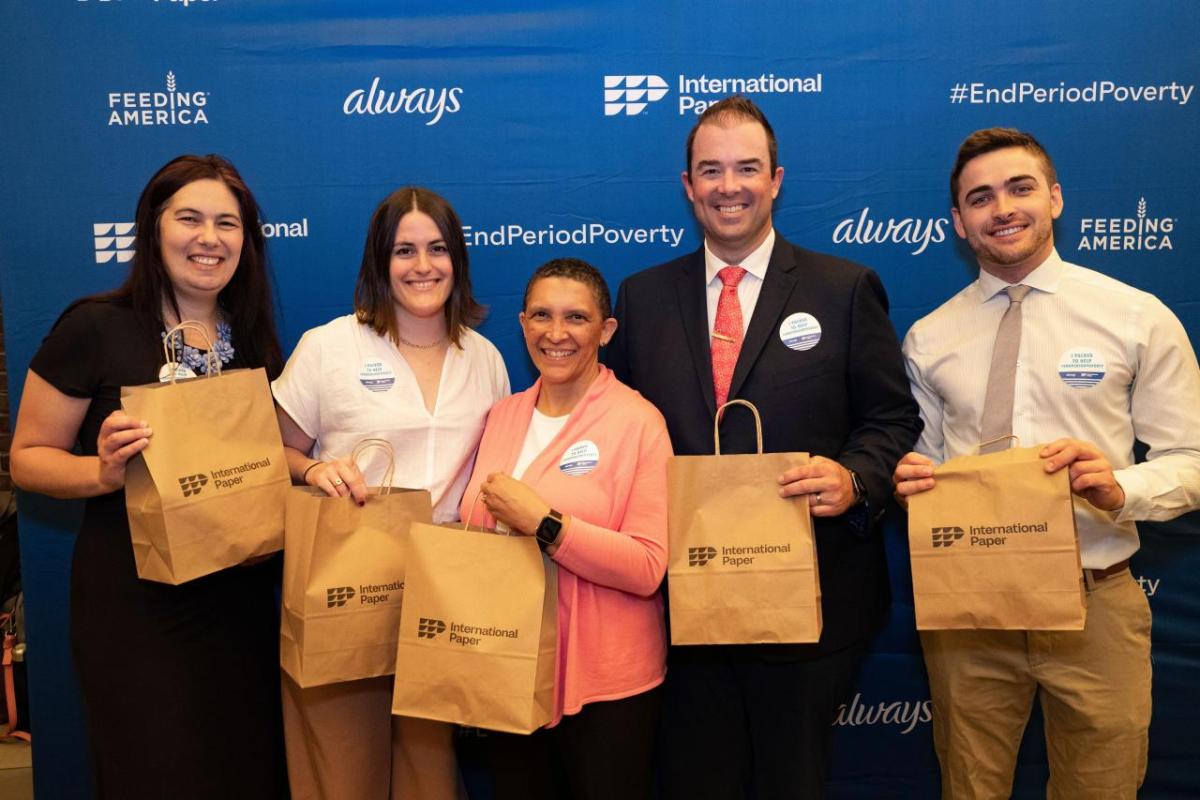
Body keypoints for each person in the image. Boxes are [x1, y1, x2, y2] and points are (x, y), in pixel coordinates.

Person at [605, 95, 921, 799]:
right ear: (687, 186)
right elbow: (614, 427)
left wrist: (853, 478)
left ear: (777, 179)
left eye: (747, 168)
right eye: (710, 171)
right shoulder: (642, 297)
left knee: (791, 778)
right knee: (698, 779)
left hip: (811, 594)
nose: (729, 187)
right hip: (683, 599)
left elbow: (892, 419)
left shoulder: (843, 289)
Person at [893, 127, 1200, 799]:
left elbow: (1190, 460)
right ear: (959, 222)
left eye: (1020, 188)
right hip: (968, 613)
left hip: (1096, 603)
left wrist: (1119, 486)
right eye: (980, 198)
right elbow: (926, 458)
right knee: (969, 788)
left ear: (1055, 198)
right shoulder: (929, 337)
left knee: (1103, 788)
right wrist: (913, 478)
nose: (1001, 208)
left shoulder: (1135, 316)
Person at [10, 154, 288, 797]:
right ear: (152, 227)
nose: (209, 238)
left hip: (238, 602)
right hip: (135, 608)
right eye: (189, 218)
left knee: (241, 771)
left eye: (228, 223)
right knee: (155, 771)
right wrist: (103, 473)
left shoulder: (250, 341)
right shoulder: (94, 327)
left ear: (246, 240)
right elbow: (27, 458)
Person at [272, 186, 509, 800]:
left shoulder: (484, 357)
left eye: (437, 249)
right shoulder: (329, 346)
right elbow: (272, 452)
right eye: (404, 251)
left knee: (429, 777)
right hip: (346, 585)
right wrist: (312, 471)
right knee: (342, 773)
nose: (422, 266)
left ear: (457, 260)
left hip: (442, 599)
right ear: (380, 263)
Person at [461, 258, 671, 800]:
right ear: (523, 323)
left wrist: (548, 525)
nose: (556, 334)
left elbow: (649, 566)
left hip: (608, 685)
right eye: (541, 315)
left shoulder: (638, 421)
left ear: (606, 331)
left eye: (576, 318)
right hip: (510, 670)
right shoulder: (503, 415)